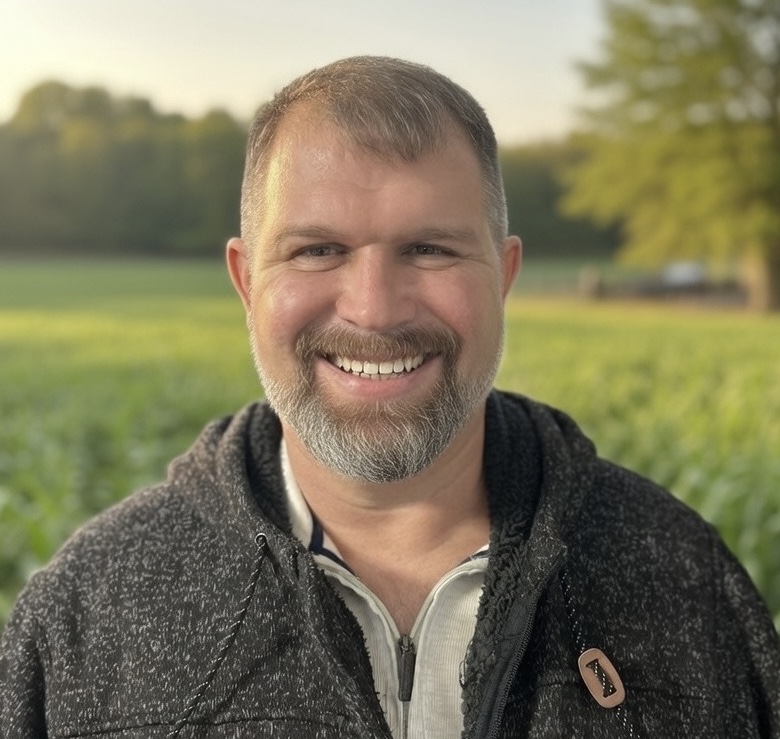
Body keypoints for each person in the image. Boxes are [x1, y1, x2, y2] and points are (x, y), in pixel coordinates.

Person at [1, 56, 778, 739]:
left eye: (429, 248)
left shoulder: (688, 584)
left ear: (503, 277)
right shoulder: (82, 617)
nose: (374, 310)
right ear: (246, 282)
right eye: (317, 249)